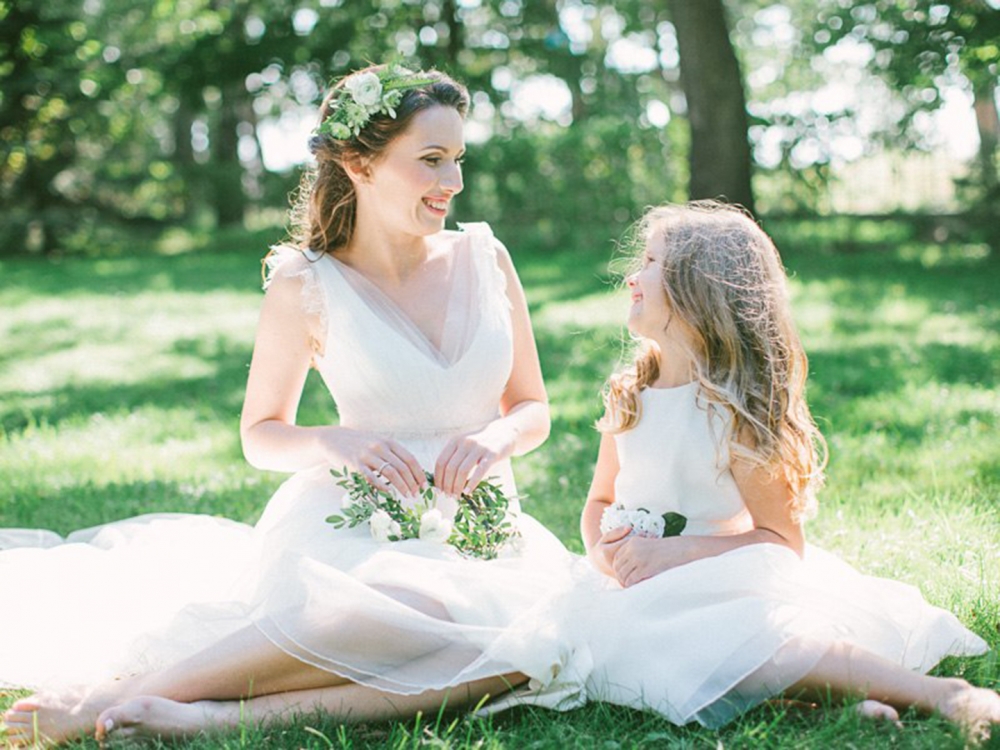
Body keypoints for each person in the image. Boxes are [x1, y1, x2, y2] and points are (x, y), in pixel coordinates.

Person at [0, 64, 576, 746]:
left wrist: (497, 439)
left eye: (457, 159)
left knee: (523, 647)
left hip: (484, 528)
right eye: (431, 160)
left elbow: (532, 407)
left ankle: (206, 719)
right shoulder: (306, 283)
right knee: (404, 608)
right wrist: (336, 442)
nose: (452, 180)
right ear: (359, 164)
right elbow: (261, 433)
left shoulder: (487, 257)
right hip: (360, 527)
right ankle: (121, 696)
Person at [566, 201, 1000, 739]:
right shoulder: (630, 394)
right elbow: (599, 501)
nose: (632, 276)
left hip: (723, 584)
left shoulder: (730, 410)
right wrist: (602, 554)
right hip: (632, 586)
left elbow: (781, 540)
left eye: (651, 263)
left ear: (700, 289)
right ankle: (816, 708)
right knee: (626, 653)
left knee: (751, 642)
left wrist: (677, 553)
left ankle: (944, 695)